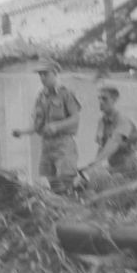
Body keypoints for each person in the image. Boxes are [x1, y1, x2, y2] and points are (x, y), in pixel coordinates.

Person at [12, 56, 81, 195]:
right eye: (40, 74)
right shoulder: (41, 97)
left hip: (64, 144)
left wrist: (57, 126)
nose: (42, 77)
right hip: (47, 145)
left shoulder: (65, 94)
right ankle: (60, 209)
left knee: (67, 181)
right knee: (53, 184)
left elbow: (75, 118)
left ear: (55, 73)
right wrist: (23, 132)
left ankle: (72, 207)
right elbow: (37, 125)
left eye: (46, 74)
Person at [87, 86, 137, 177]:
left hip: (129, 168)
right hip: (114, 166)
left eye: (105, 99)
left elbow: (115, 141)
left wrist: (97, 161)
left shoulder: (123, 120)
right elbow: (101, 147)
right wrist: (95, 165)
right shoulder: (102, 122)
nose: (100, 102)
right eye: (99, 98)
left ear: (114, 100)